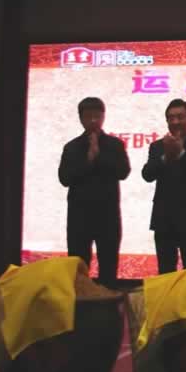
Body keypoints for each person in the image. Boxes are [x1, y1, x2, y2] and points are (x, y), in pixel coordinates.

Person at [58, 97, 130, 286]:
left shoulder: (115, 145)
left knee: (108, 265)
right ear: (80, 118)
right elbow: (64, 178)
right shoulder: (72, 147)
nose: (93, 121)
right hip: (79, 218)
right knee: (78, 269)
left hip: (108, 216)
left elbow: (123, 172)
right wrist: (88, 160)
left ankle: (109, 301)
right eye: (88, 116)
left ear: (103, 117)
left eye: (97, 116)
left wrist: (99, 156)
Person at [142, 99, 186, 274]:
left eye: (180, 117)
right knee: (165, 272)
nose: (175, 122)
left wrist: (180, 153)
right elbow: (147, 175)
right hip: (163, 218)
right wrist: (165, 156)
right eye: (171, 118)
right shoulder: (158, 146)